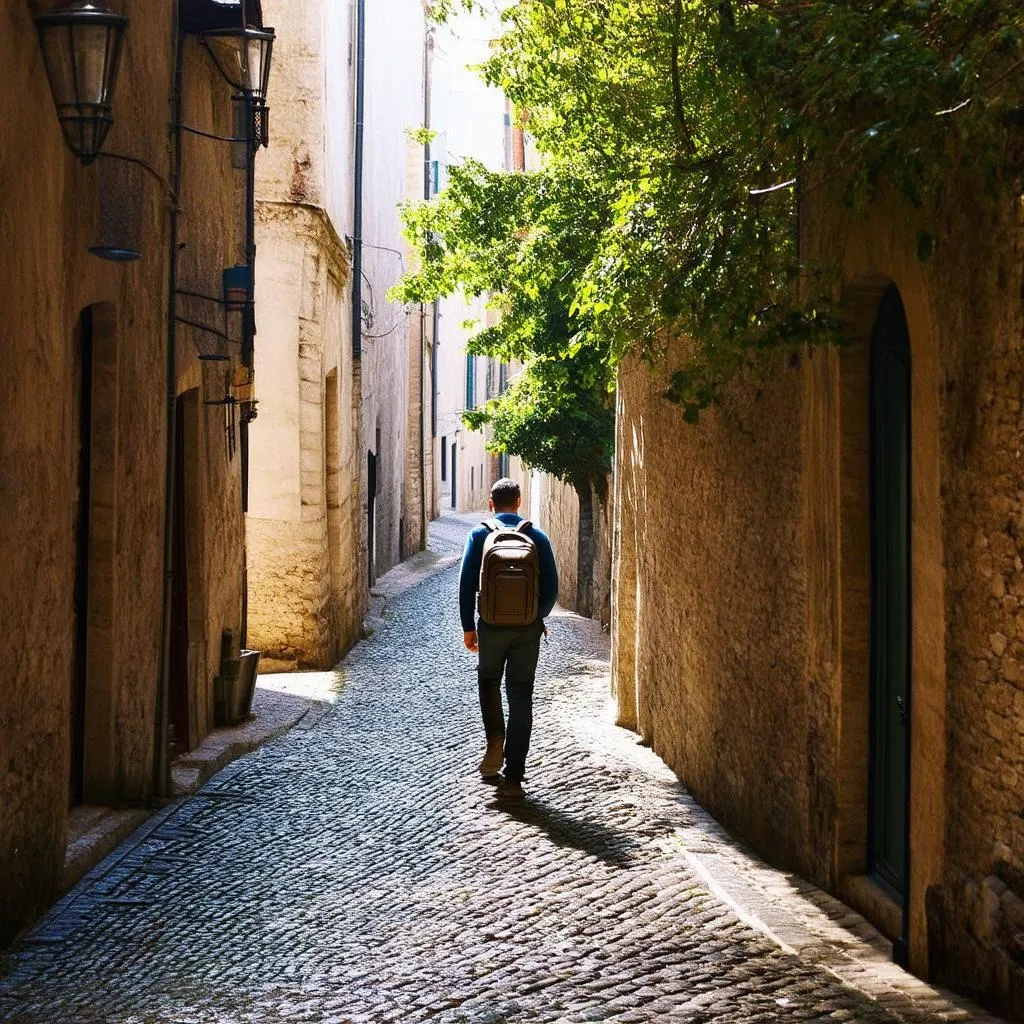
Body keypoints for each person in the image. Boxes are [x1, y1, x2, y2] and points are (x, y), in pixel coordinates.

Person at [459, 478, 558, 799]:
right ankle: (515, 774)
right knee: (521, 693)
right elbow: (553, 588)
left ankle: (495, 742)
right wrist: (535, 617)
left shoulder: (479, 534)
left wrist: (469, 627)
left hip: (490, 627)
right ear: (518, 502)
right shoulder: (537, 536)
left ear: (491, 503)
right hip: (527, 630)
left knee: (488, 681)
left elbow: (465, 585)